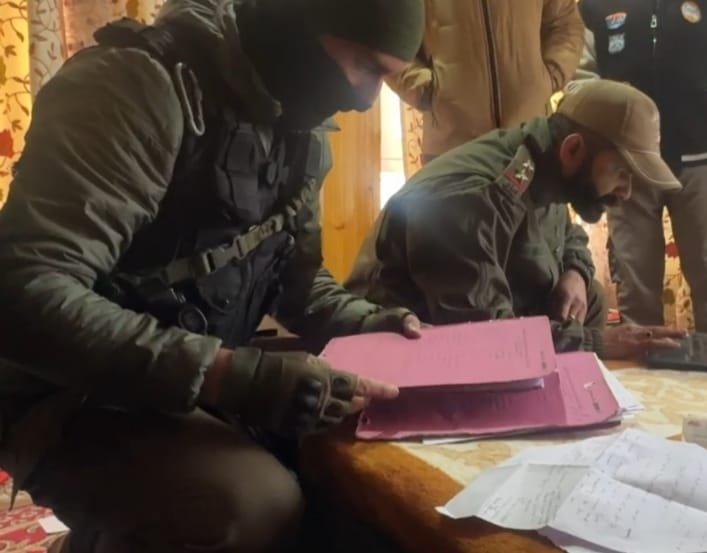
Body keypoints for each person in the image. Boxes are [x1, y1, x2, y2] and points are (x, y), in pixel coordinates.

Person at [0, 0, 426, 551]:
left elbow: (297, 280)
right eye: (365, 66)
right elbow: (24, 289)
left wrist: (369, 325)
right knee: (251, 507)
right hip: (64, 392)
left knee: (347, 488)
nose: (367, 99)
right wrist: (230, 376)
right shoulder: (136, 87)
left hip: (187, 377)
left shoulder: (299, 122)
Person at [346, 79, 687, 360]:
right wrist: (598, 343)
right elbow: (485, 334)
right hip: (402, 350)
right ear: (573, 149)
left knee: (589, 297)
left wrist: (576, 272)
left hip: (472, 316)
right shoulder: (471, 199)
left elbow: (568, 235)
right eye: (621, 173)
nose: (626, 192)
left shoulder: (546, 164)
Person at [575, 0, 707, 335]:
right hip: (627, 163)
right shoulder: (593, 7)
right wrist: (606, 125)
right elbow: (579, 75)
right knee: (634, 276)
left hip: (698, 157)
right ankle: (642, 363)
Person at [388, 0, 584, 163]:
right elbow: (388, 32)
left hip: (531, 140)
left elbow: (565, 22)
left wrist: (550, 76)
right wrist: (426, 91)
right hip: (451, 146)